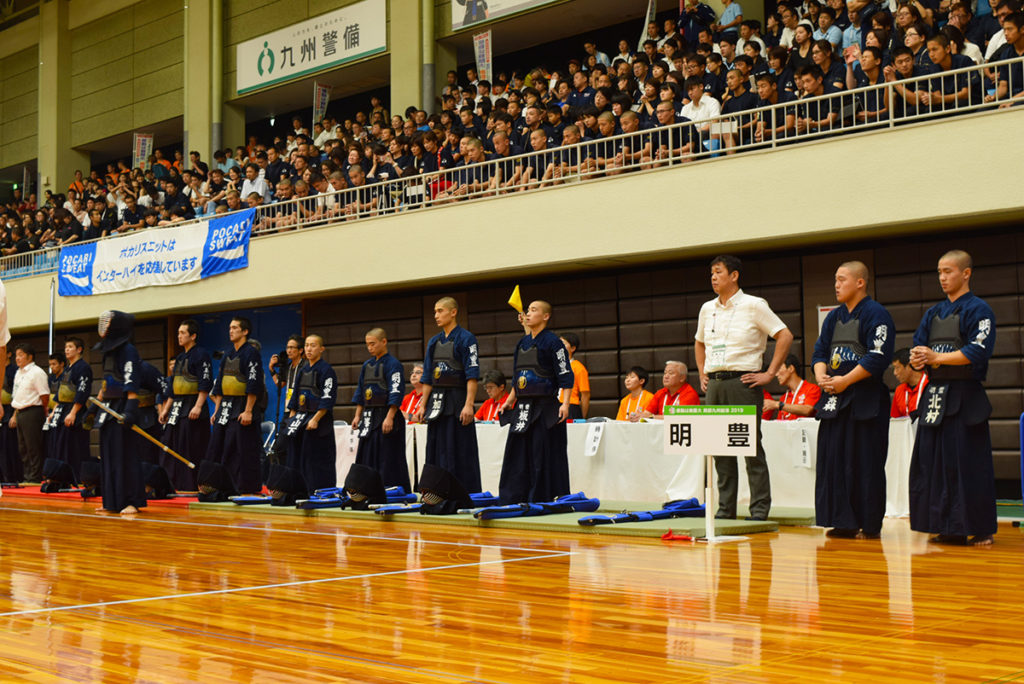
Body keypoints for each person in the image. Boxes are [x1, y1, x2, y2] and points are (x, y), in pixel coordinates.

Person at [908, 250, 998, 546]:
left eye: (948, 271)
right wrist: (919, 358)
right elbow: (919, 347)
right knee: (934, 463)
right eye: (939, 272)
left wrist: (937, 357)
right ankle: (945, 525)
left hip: (965, 397)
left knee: (968, 464)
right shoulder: (933, 313)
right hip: (935, 398)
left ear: (966, 273)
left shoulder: (979, 310)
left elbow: (977, 351)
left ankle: (980, 527)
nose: (943, 278)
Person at [694, 254, 793, 521]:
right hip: (714, 383)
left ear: (734, 275)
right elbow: (699, 342)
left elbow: (784, 334)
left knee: (749, 447)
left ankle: (759, 509)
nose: (713, 277)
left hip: (743, 381)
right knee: (719, 449)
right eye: (711, 273)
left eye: (718, 272)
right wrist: (703, 371)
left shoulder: (754, 305)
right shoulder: (707, 308)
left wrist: (769, 373)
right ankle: (725, 509)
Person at [812, 261, 895, 539]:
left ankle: (869, 524)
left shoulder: (876, 314)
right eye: (835, 280)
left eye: (842, 279)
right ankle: (842, 521)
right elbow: (820, 352)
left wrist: (845, 380)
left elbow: (878, 356)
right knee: (834, 460)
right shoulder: (833, 318)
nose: (836, 285)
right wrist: (822, 376)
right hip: (835, 399)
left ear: (860, 282)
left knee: (865, 462)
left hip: (865, 399)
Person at [498, 300, 574, 504]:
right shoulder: (521, 343)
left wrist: (565, 404)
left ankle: (542, 496)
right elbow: (518, 378)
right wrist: (509, 401)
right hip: (522, 409)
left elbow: (566, 375)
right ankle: (515, 496)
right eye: (528, 310)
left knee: (542, 453)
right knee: (517, 454)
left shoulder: (553, 343)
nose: (528, 314)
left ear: (546, 316)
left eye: (534, 310)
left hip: (545, 406)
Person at [93, 311, 162, 515]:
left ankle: (132, 500)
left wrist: (131, 411)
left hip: (125, 407)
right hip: (109, 409)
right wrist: (92, 409)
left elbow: (131, 383)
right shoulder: (108, 352)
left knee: (126, 457)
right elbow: (106, 384)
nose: (103, 327)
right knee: (108, 456)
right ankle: (111, 501)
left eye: (107, 323)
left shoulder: (129, 351)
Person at [414, 297, 481, 492]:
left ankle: (462, 492)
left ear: (453, 312)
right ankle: (436, 491)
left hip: (458, 399)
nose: (436, 315)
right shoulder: (434, 342)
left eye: (440, 311)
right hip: (437, 402)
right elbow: (427, 377)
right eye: (435, 311)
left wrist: (469, 404)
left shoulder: (466, 338)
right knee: (435, 448)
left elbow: (472, 374)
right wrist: (422, 405)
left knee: (458, 449)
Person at [207, 317, 265, 496]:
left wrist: (248, 411)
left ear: (245, 331)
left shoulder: (251, 353)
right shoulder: (227, 354)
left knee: (243, 449)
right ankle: (224, 484)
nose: (230, 331)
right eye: (229, 328)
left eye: (235, 328)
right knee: (222, 447)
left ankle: (247, 487)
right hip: (226, 407)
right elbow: (219, 386)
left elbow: (253, 384)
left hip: (243, 406)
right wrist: (217, 411)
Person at [352, 328, 409, 490]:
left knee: (387, 456)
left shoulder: (394, 364)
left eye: (373, 344)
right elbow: (360, 391)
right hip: (369, 417)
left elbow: (396, 391)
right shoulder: (367, 365)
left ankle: (391, 490)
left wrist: (390, 417)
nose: (370, 348)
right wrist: (357, 416)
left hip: (386, 416)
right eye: (367, 344)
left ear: (384, 342)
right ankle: (366, 489)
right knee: (366, 454)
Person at [159, 320, 212, 491]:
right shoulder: (180, 358)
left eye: (183, 333)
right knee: (171, 445)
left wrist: (198, 406)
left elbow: (205, 383)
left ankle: (193, 484)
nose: (179, 336)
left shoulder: (201, 355)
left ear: (193, 336)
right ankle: (173, 483)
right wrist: (166, 410)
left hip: (193, 406)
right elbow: (173, 389)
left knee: (192, 447)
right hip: (177, 408)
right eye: (178, 333)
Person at [285, 334, 337, 494]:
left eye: (313, 345)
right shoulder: (303, 370)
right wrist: (292, 419)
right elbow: (294, 398)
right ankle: (298, 489)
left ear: (321, 349)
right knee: (297, 456)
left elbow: (328, 397)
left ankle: (320, 490)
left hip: (319, 421)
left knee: (316, 459)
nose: (308, 349)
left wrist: (315, 419)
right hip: (300, 419)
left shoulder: (327, 370)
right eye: (307, 345)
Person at [49, 337, 93, 483]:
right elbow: (60, 393)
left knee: (75, 447)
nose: (66, 349)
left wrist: (73, 412)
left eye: (70, 347)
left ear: (79, 349)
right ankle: (63, 477)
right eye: (66, 347)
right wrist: (54, 410)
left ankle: (78, 479)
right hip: (63, 410)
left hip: (75, 411)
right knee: (62, 446)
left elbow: (82, 391)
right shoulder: (68, 368)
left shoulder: (83, 367)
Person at [10, 343, 49, 482]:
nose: (17, 358)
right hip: (20, 411)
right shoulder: (18, 372)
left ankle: (35, 477)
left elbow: (45, 395)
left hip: (33, 411)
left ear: (30, 356)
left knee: (33, 446)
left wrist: (44, 410)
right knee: (23, 447)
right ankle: (27, 476)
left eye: (21, 355)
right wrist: (15, 414)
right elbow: (17, 396)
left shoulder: (37, 372)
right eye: (16, 355)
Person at [267, 335, 305, 464]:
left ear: (300, 350)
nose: (289, 350)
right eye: (287, 347)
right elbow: (280, 384)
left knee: (294, 446)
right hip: (287, 410)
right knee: (280, 447)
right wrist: (271, 369)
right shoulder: (288, 367)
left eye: (292, 347)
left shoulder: (305, 367)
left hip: (300, 411)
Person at [632, 361, 699, 420]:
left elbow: (677, 418)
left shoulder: (689, 394)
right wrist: (638, 416)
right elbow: (647, 413)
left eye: (670, 373)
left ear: (682, 378)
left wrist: (651, 417)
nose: (666, 376)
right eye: (665, 373)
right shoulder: (660, 393)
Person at [763, 354, 821, 419]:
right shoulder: (784, 398)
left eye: (779, 368)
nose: (776, 374)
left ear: (791, 368)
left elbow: (808, 410)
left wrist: (778, 405)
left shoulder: (812, 389)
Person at [558, 332, 590, 420]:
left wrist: (581, 417)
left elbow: (585, 395)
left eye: (563, 344)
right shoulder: (554, 366)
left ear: (572, 348)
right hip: (554, 406)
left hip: (571, 407)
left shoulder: (579, 368)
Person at [890, 347, 929, 418]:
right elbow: (895, 420)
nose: (895, 373)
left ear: (909, 366)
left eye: (897, 368)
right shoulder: (899, 390)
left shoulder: (929, 385)